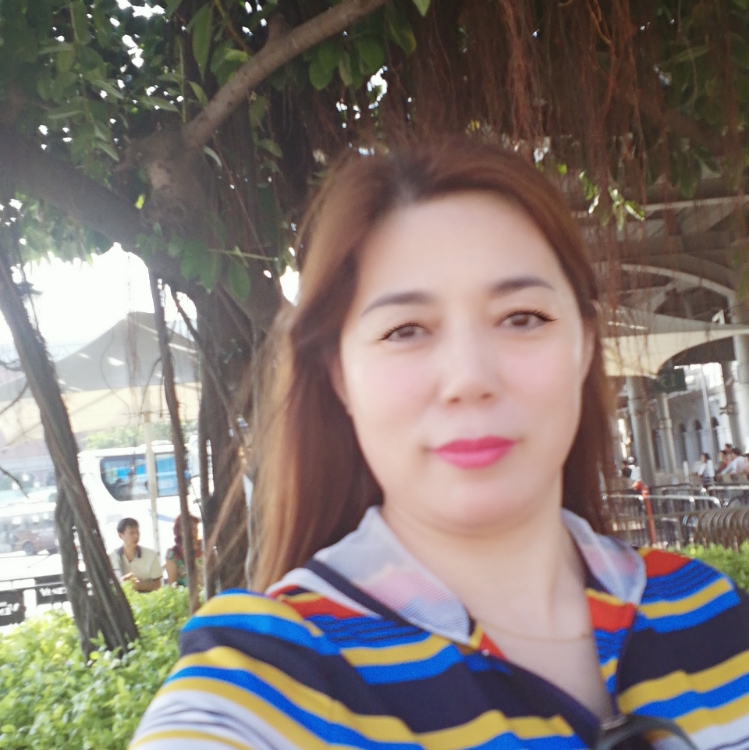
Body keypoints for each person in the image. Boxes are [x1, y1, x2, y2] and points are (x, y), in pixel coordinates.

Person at [131, 141, 749, 749]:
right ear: (340, 375)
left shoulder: (710, 611)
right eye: (405, 330)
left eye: (522, 317)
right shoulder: (270, 677)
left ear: (586, 344)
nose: (469, 378)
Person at [108, 518, 161, 593]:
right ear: (120, 536)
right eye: (132, 533)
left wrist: (140, 585)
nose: (136, 536)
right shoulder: (112, 557)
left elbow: (158, 584)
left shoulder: (151, 555)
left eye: (137, 532)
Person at [164, 515, 202, 587]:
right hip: (185, 592)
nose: (194, 533)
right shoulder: (172, 553)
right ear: (180, 531)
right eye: (191, 529)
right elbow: (172, 584)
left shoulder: (205, 547)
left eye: (196, 529)